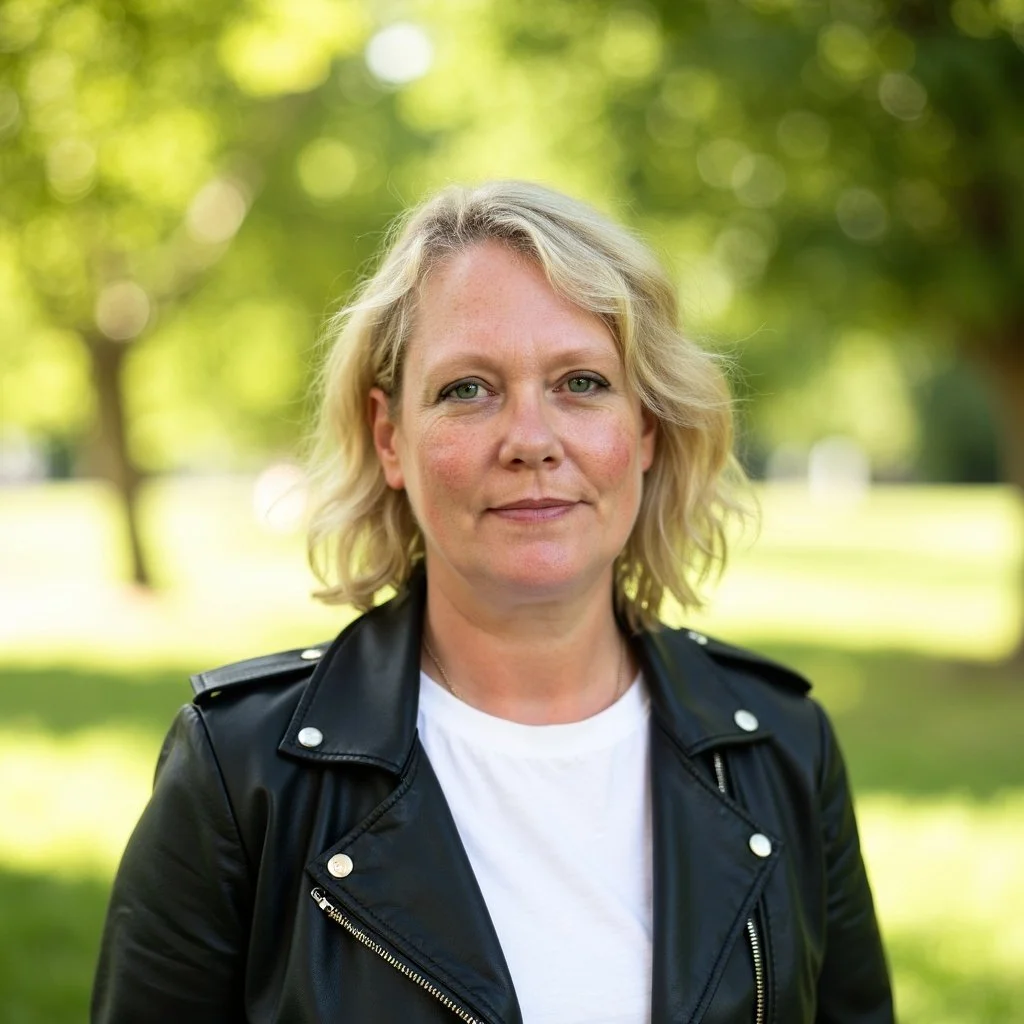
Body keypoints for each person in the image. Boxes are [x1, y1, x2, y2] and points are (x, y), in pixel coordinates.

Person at [92, 180, 894, 1024]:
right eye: (468, 389)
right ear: (390, 438)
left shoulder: (784, 748)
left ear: (646, 430)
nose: (531, 441)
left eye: (581, 382)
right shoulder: (241, 770)